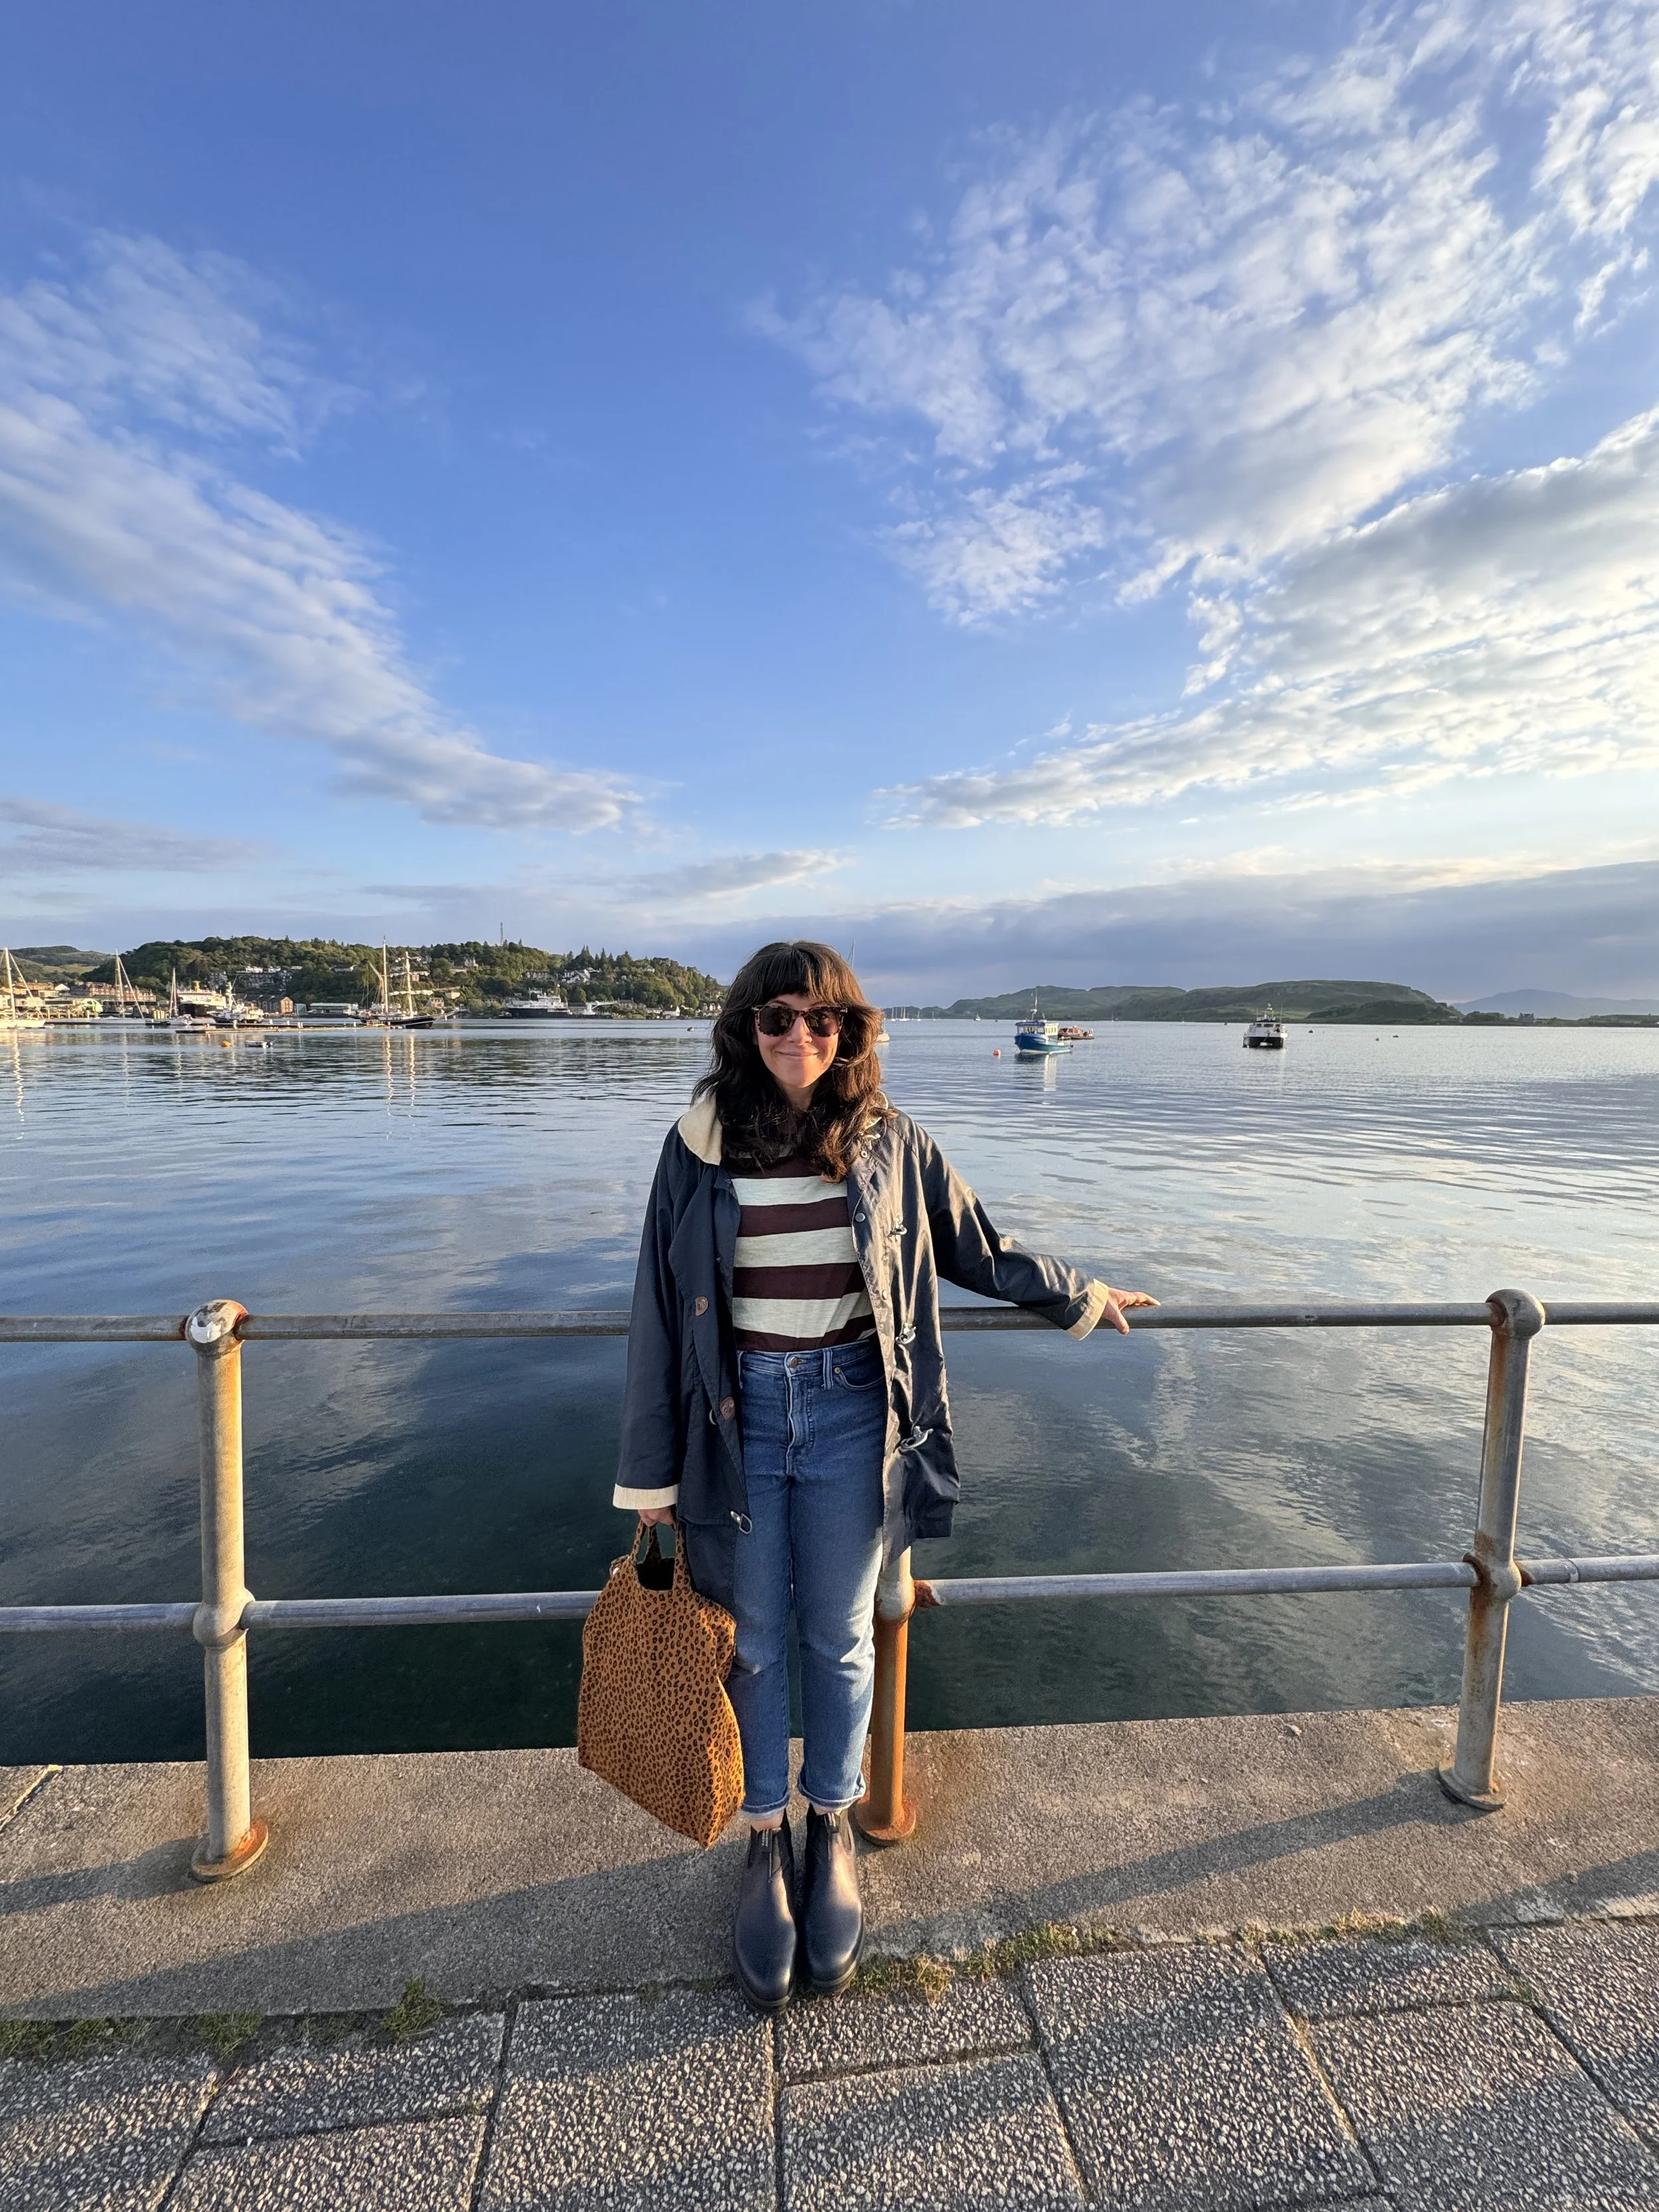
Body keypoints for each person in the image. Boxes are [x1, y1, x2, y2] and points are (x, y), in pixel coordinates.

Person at [613, 941, 1156, 2012]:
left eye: (824, 1020)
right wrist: (651, 1475)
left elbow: (976, 1247)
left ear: (853, 1031)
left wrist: (1078, 1295)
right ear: (745, 1028)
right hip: (740, 1418)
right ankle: (763, 1841)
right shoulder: (696, 1148)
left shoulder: (889, 1141)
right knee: (755, 1638)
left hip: (861, 1409)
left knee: (843, 1633)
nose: (800, 1038)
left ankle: (833, 1820)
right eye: (778, 1019)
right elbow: (652, 1311)